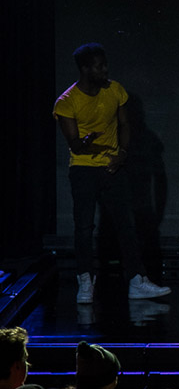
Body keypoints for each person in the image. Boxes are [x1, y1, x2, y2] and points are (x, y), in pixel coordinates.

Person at [53, 42, 170, 303]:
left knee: (126, 224)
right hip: (83, 169)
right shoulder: (67, 102)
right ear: (85, 69)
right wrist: (86, 141)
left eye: (105, 65)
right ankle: (85, 281)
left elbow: (125, 124)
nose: (105, 70)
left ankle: (137, 281)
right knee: (84, 227)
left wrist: (122, 155)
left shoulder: (115, 90)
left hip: (112, 167)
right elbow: (74, 144)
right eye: (99, 66)